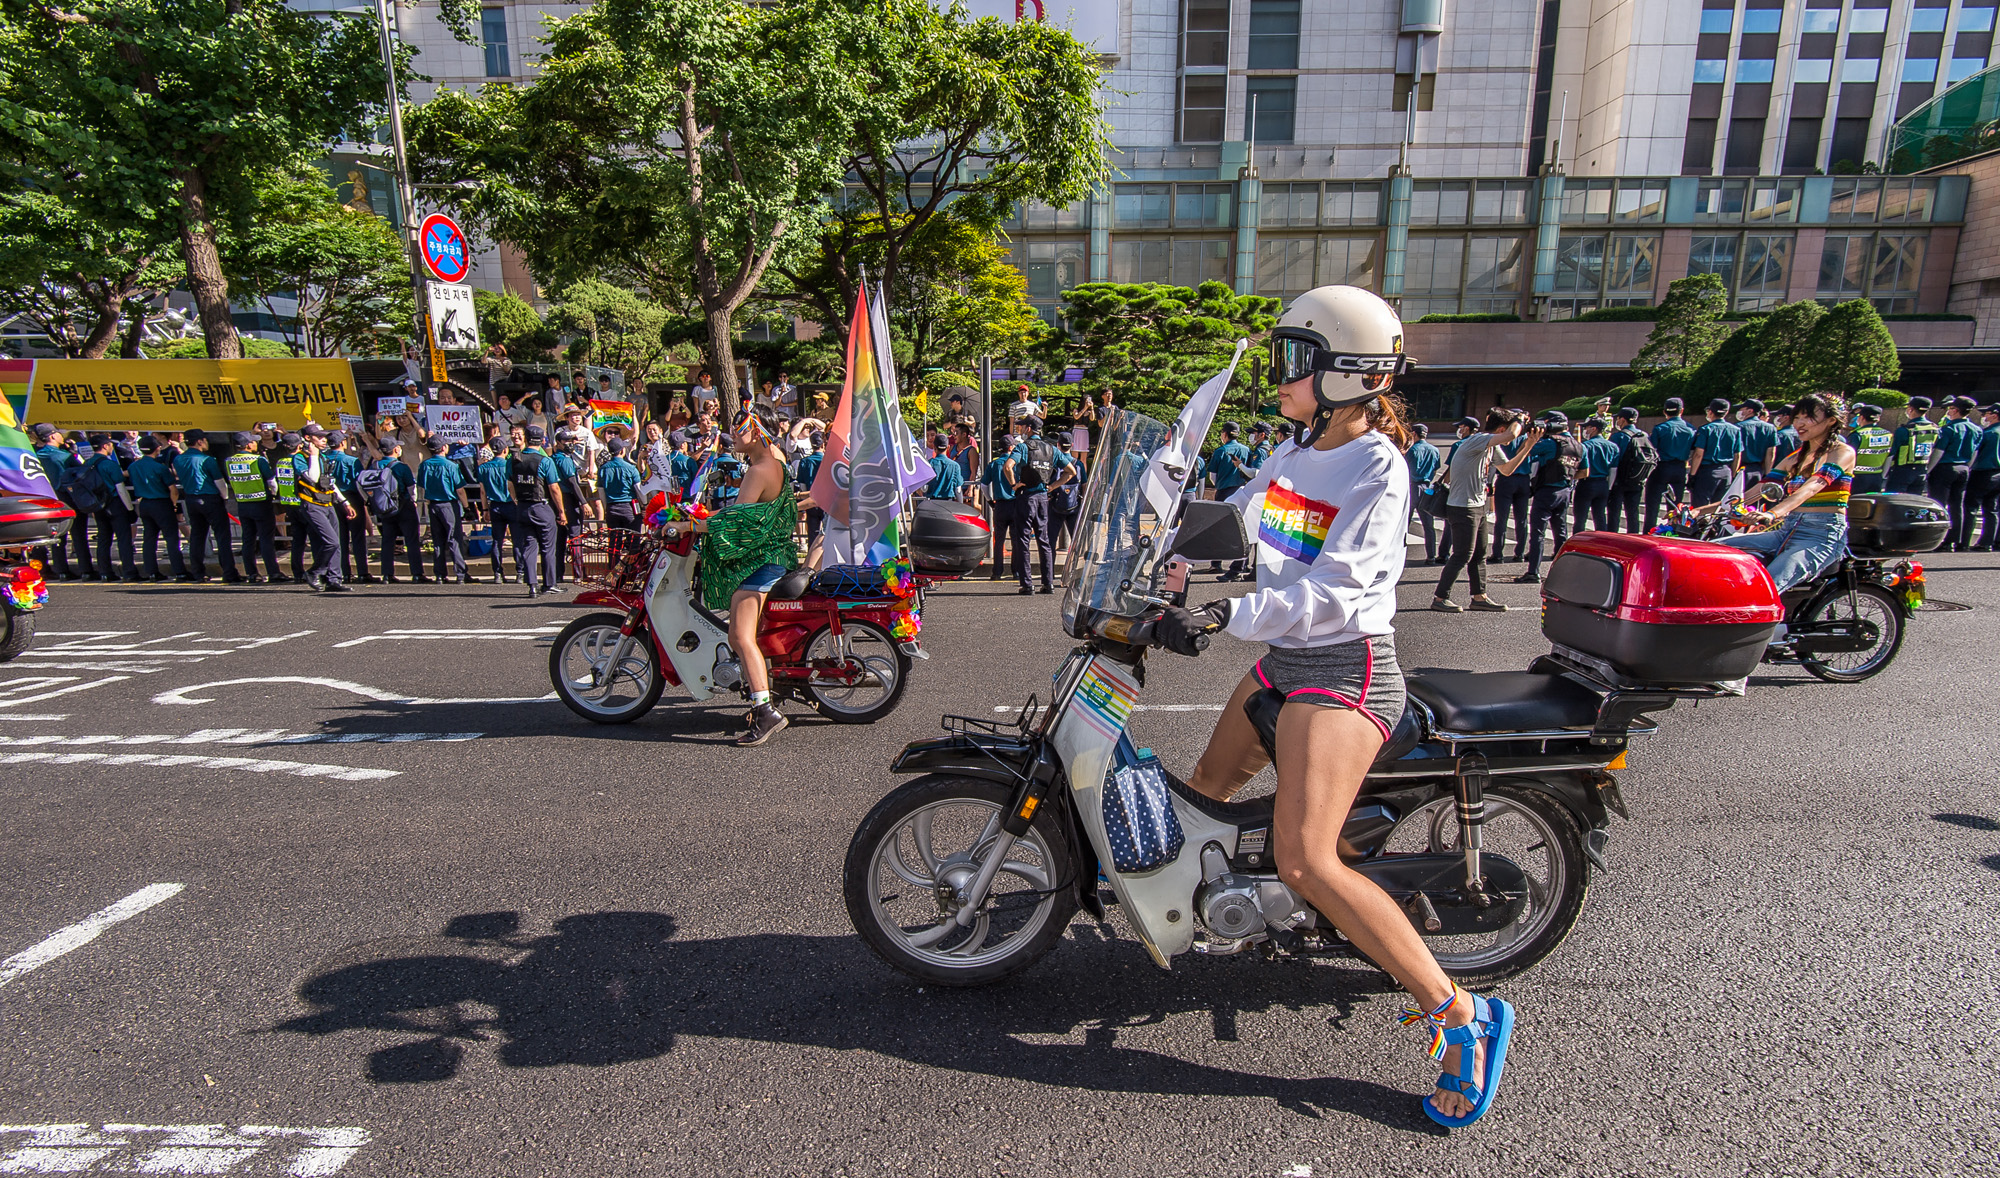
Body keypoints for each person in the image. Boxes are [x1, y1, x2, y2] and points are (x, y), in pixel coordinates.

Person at [1160, 285, 1515, 1128]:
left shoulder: (1375, 469)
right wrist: (1163, 553)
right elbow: (1240, 522)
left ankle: (1460, 1015)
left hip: (1344, 670)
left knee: (1307, 862)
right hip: (1286, 660)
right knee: (1204, 791)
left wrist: (1224, 613)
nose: (1280, 378)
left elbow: (1338, 593)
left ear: (1346, 374)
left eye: (1294, 362)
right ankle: (1218, 913)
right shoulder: (1294, 453)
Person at [687, 407, 798, 746]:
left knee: (740, 636)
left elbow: (735, 523)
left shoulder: (758, 471)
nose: (732, 435)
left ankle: (766, 712)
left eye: (739, 429)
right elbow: (739, 515)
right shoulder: (774, 464)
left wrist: (687, 525)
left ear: (757, 431)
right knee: (741, 634)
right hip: (776, 555)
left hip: (765, 562)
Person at [1706, 391, 1855, 597]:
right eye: (1798, 417)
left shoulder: (1843, 452)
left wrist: (1772, 514)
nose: (1800, 423)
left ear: (1831, 421)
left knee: (1764, 590)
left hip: (1820, 536)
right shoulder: (1796, 458)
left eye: (1809, 417)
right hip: (1786, 531)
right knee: (1709, 550)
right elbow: (1756, 491)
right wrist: (1701, 511)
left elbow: (1812, 487)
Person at [1432, 407, 1538, 612]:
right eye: (1506, 433)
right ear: (1500, 429)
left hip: (1477, 505)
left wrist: (1528, 445)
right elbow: (1512, 434)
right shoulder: (1478, 440)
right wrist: (1519, 419)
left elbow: (1507, 470)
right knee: (1462, 554)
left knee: (1480, 553)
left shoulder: (1490, 446)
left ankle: (1479, 596)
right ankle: (1440, 597)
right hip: (1462, 507)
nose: (1509, 441)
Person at [1516, 410, 1581, 585]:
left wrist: (1532, 436)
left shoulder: (1550, 443)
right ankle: (1562, 571)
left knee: (1538, 533)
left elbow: (1525, 450)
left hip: (1547, 491)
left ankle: (1533, 571)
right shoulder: (1578, 444)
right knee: (1560, 531)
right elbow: (1584, 471)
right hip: (1566, 490)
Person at [293, 424, 355, 592]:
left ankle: (334, 579)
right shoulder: (301, 457)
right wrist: (313, 456)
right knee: (331, 542)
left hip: (327, 503)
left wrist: (344, 502)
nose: (324, 440)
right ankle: (314, 572)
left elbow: (329, 482)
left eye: (324, 437)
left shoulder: (323, 457)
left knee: (337, 543)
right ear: (308, 439)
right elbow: (312, 478)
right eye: (319, 437)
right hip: (312, 505)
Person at [175, 429, 241, 584]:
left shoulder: (178, 459)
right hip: (210, 498)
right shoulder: (207, 460)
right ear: (199, 441)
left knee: (197, 537)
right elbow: (220, 483)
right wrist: (224, 498)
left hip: (191, 499)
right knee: (222, 537)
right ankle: (229, 572)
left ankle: (198, 572)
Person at [1002, 414, 1058, 595]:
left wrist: (1013, 484)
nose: (1019, 429)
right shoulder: (1051, 449)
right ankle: (1048, 583)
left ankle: (1027, 584)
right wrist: (1052, 487)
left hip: (1026, 497)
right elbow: (1070, 471)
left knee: (1023, 540)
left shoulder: (1023, 448)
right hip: (1043, 497)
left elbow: (1007, 466)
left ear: (1029, 429)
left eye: (1022, 426)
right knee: (1044, 540)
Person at [511, 425, 566, 596]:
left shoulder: (514, 459)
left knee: (529, 546)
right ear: (542, 440)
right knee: (548, 547)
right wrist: (561, 511)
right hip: (541, 506)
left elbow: (510, 483)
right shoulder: (545, 460)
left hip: (522, 506)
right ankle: (549, 583)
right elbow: (554, 488)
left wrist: (516, 500)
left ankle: (532, 584)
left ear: (526, 438)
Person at [127, 437, 187, 582]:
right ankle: (180, 572)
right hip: (161, 503)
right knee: (171, 538)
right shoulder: (160, 467)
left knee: (149, 539)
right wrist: (173, 505)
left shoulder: (133, 466)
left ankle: (151, 572)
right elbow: (173, 490)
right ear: (157, 449)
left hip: (144, 504)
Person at [224, 431, 280, 583]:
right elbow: (271, 482)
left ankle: (251, 573)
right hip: (261, 503)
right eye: (254, 441)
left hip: (242, 504)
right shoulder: (257, 460)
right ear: (248, 444)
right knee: (266, 539)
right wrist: (274, 494)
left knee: (248, 540)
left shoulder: (229, 461)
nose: (256, 443)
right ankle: (273, 573)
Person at [83, 434, 136, 582]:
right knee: (123, 539)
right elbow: (120, 489)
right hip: (114, 504)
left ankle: (105, 572)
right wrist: (130, 509)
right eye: (110, 445)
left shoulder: (87, 464)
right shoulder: (110, 465)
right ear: (105, 446)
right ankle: (129, 572)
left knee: (104, 540)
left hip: (97, 505)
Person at [1206, 422, 1256, 577]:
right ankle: (1243, 563)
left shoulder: (1220, 451)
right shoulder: (1246, 450)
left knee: (1219, 527)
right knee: (1241, 527)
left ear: (1225, 434)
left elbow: (1212, 476)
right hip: (1242, 491)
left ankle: (1217, 563)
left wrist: (1220, 485)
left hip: (1223, 491)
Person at [1931, 395, 1981, 550]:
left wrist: (1928, 470)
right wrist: (1967, 467)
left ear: (1955, 410)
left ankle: (1939, 539)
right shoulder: (1976, 429)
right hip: (1964, 468)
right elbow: (1974, 453)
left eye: (1950, 408)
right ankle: (1954, 539)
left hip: (1945, 467)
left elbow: (1938, 452)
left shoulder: (1949, 429)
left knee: (1939, 504)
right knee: (1956, 505)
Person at [375, 439, 427, 584]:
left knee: (387, 541)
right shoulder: (401, 467)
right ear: (396, 449)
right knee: (411, 540)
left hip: (384, 507)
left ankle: (387, 574)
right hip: (403, 505)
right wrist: (413, 501)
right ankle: (417, 573)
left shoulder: (375, 465)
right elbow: (411, 487)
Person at [419, 436, 470, 583]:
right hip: (449, 504)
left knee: (438, 540)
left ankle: (440, 574)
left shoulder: (425, 465)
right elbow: (460, 489)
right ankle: (460, 573)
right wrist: (466, 507)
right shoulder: (451, 465)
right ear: (444, 448)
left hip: (433, 504)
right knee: (454, 539)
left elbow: (423, 485)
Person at [325, 432, 372, 583]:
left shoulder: (323, 459)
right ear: (343, 443)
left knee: (340, 537)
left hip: (332, 499)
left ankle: (344, 572)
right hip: (352, 497)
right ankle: (362, 572)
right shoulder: (351, 461)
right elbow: (359, 481)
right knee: (358, 536)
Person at [1645, 396, 1696, 531]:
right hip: (1680, 468)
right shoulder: (1690, 429)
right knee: (1676, 505)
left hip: (1661, 467)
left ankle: (1648, 532)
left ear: (1665, 412)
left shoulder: (1660, 428)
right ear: (1681, 410)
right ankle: (1675, 530)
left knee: (1652, 504)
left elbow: (1652, 448)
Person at [1686, 398, 1743, 507]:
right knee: (1719, 507)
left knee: (1700, 507)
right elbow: (1737, 454)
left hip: (1707, 471)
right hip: (1726, 471)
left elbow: (1698, 454)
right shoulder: (1735, 430)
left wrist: (1692, 475)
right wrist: (1733, 474)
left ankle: (1699, 524)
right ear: (1726, 412)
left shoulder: (1705, 429)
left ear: (1710, 412)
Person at [1607, 407, 1655, 533]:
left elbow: (1613, 460)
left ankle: (1612, 538)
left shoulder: (1619, 437)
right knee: (1633, 511)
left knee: (1614, 512)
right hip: (1637, 479)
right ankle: (1633, 536)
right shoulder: (1644, 435)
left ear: (1622, 419)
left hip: (1620, 480)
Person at [1488, 423, 1532, 563]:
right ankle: (1519, 553)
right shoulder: (1528, 439)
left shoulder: (1503, 439)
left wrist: (1489, 481)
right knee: (1522, 519)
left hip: (1506, 479)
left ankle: (1498, 553)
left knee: (1501, 519)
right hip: (1524, 479)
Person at [478, 431, 518, 582]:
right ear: (505, 450)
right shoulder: (510, 465)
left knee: (497, 540)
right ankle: (520, 571)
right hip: (511, 504)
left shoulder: (483, 468)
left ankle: (497, 573)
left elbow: (482, 491)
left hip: (494, 505)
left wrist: (484, 509)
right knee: (517, 539)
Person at [1402, 423, 1442, 564]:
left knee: (1404, 523)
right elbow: (1436, 468)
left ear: (1414, 434)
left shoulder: (1412, 450)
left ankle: (1400, 552)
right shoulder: (1434, 450)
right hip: (1427, 487)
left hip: (1412, 486)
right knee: (1428, 525)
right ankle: (1431, 555)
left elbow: (1404, 469)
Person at [1573, 417, 1618, 533]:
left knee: (1580, 519)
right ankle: (1602, 543)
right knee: (1600, 517)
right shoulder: (1613, 447)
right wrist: (1609, 487)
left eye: (1586, 428)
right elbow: (1613, 469)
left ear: (1593, 429)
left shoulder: (1585, 446)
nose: (1585, 431)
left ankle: (1577, 544)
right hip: (1603, 484)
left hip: (1586, 483)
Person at [1887, 396, 1939, 495]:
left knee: (1895, 504)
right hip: (1921, 471)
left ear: (1911, 409)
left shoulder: (1904, 430)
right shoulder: (1935, 429)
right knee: (1913, 504)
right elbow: (1936, 451)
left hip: (1902, 472)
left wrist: (1884, 474)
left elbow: (1891, 453)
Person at [980, 444, 1016, 581]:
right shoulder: (1015, 463)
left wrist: (990, 501)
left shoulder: (994, 464)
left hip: (1000, 504)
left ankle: (997, 572)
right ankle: (1016, 571)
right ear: (1011, 447)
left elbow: (984, 485)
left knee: (999, 540)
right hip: (1014, 502)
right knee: (1016, 540)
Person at [1970, 403, 2000, 551]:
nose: (1984, 417)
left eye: (1986, 414)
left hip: (1983, 471)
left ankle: (1963, 541)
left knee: (1971, 507)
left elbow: (1975, 453)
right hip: (1998, 473)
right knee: (1992, 509)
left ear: (1994, 415)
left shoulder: (1989, 433)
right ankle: (1989, 541)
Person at [1046, 432, 1082, 553]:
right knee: (1077, 540)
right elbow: (1085, 485)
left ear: (1058, 445)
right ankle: (1075, 569)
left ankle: (1049, 570)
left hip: (1055, 505)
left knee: (1051, 541)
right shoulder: (1079, 464)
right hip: (1074, 506)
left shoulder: (1054, 463)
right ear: (1072, 445)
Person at [796, 430, 827, 568]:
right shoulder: (828, 461)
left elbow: (802, 485)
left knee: (814, 534)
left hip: (810, 502)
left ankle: (811, 565)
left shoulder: (805, 462)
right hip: (828, 503)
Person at [1846, 403, 1892, 495]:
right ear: (1878, 418)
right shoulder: (1888, 435)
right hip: (1877, 477)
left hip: (1857, 478)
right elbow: (1889, 456)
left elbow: (1848, 457)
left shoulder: (1858, 435)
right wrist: (1882, 475)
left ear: (1862, 418)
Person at [599, 436, 642, 531]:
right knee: (633, 540)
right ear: (622, 451)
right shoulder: (631, 468)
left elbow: (601, 492)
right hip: (630, 507)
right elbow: (639, 489)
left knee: (614, 541)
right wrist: (645, 504)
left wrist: (606, 507)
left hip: (611, 507)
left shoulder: (603, 469)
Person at [1736, 400, 1778, 490]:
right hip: (1758, 470)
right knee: (1753, 500)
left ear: (1750, 411)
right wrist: (1767, 474)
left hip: (1741, 469)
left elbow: (1736, 452)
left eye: (1742, 409)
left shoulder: (1738, 427)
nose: (1740, 411)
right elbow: (1771, 453)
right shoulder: (1770, 428)